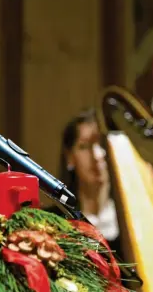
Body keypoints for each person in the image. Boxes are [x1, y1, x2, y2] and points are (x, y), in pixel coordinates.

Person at [53, 108, 121, 254]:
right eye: (84, 146)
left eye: (102, 144)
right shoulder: (54, 223)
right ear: (70, 157)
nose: (97, 156)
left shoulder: (133, 221)